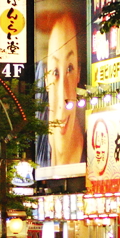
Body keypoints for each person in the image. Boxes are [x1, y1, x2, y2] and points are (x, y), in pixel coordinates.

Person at [44, 13, 85, 167]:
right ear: (45, 78)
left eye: (70, 68)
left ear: (79, 74)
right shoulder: (39, 150)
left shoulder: (93, 153)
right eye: (55, 72)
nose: (63, 97)